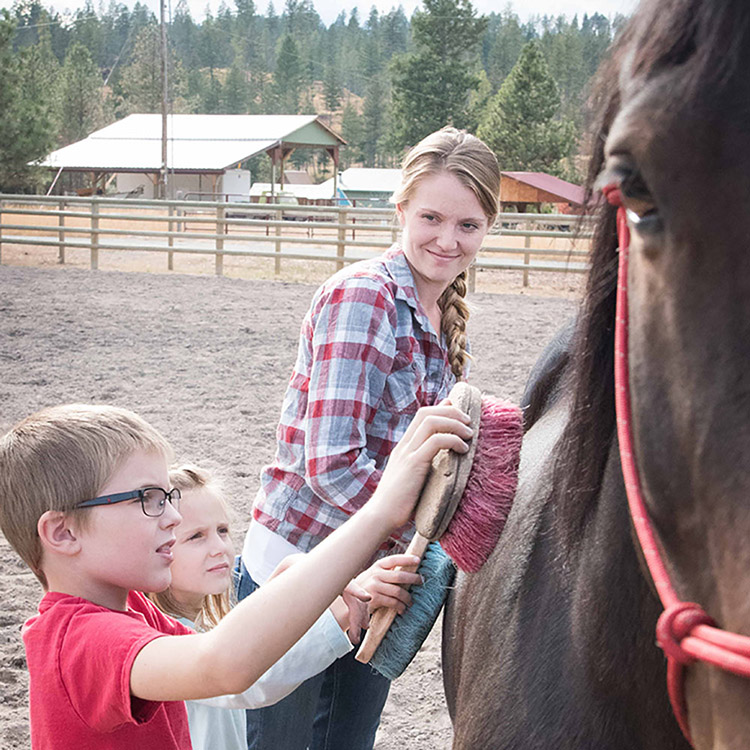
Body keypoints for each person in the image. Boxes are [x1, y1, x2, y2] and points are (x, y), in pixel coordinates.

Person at [0, 401, 472, 750]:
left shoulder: (133, 609)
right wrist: (379, 514)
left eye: (168, 496)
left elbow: (244, 679)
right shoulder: (78, 641)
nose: (170, 516)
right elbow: (221, 665)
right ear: (62, 533)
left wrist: (321, 593)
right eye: (148, 498)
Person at [238, 126, 501, 750]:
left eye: (469, 225)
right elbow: (329, 465)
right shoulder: (365, 297)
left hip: (376, 573)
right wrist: (429, 527)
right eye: (432, 217)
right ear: (401, 208)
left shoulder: (440, 313)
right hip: (299, 570)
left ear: (489, 226)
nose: (448, 239)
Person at [149, 463, 425, 750]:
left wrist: (292, 571)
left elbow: (251, 634)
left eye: (223, 530)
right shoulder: (164, 642)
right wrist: (341, 613)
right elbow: (252, 676)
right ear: (156, 549)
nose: (220, 547)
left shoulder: (201, 623)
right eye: (196, 536)